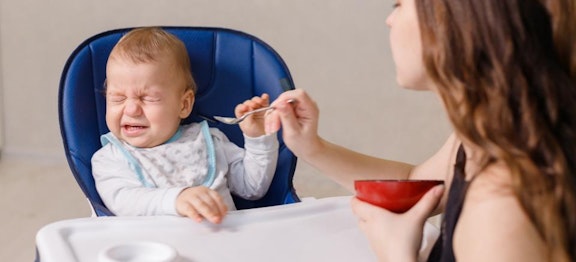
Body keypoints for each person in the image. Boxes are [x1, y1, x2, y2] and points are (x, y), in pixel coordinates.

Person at [265, 0, 576, 261]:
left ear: (451, 23)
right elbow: (416, 184)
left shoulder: (499, 208)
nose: (389, 20)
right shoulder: (489, 134)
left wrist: (397, 253)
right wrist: (311, 147)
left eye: (399, 4)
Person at [91, 27, 279, 224]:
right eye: (118, 98)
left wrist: (257, 137)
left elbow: (253, 188)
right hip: (154, 251)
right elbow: (124, 203)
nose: (130, 110)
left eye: (148, 98)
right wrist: (177, 199)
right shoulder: (110, 158)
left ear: (184, 104)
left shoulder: (209, 142)